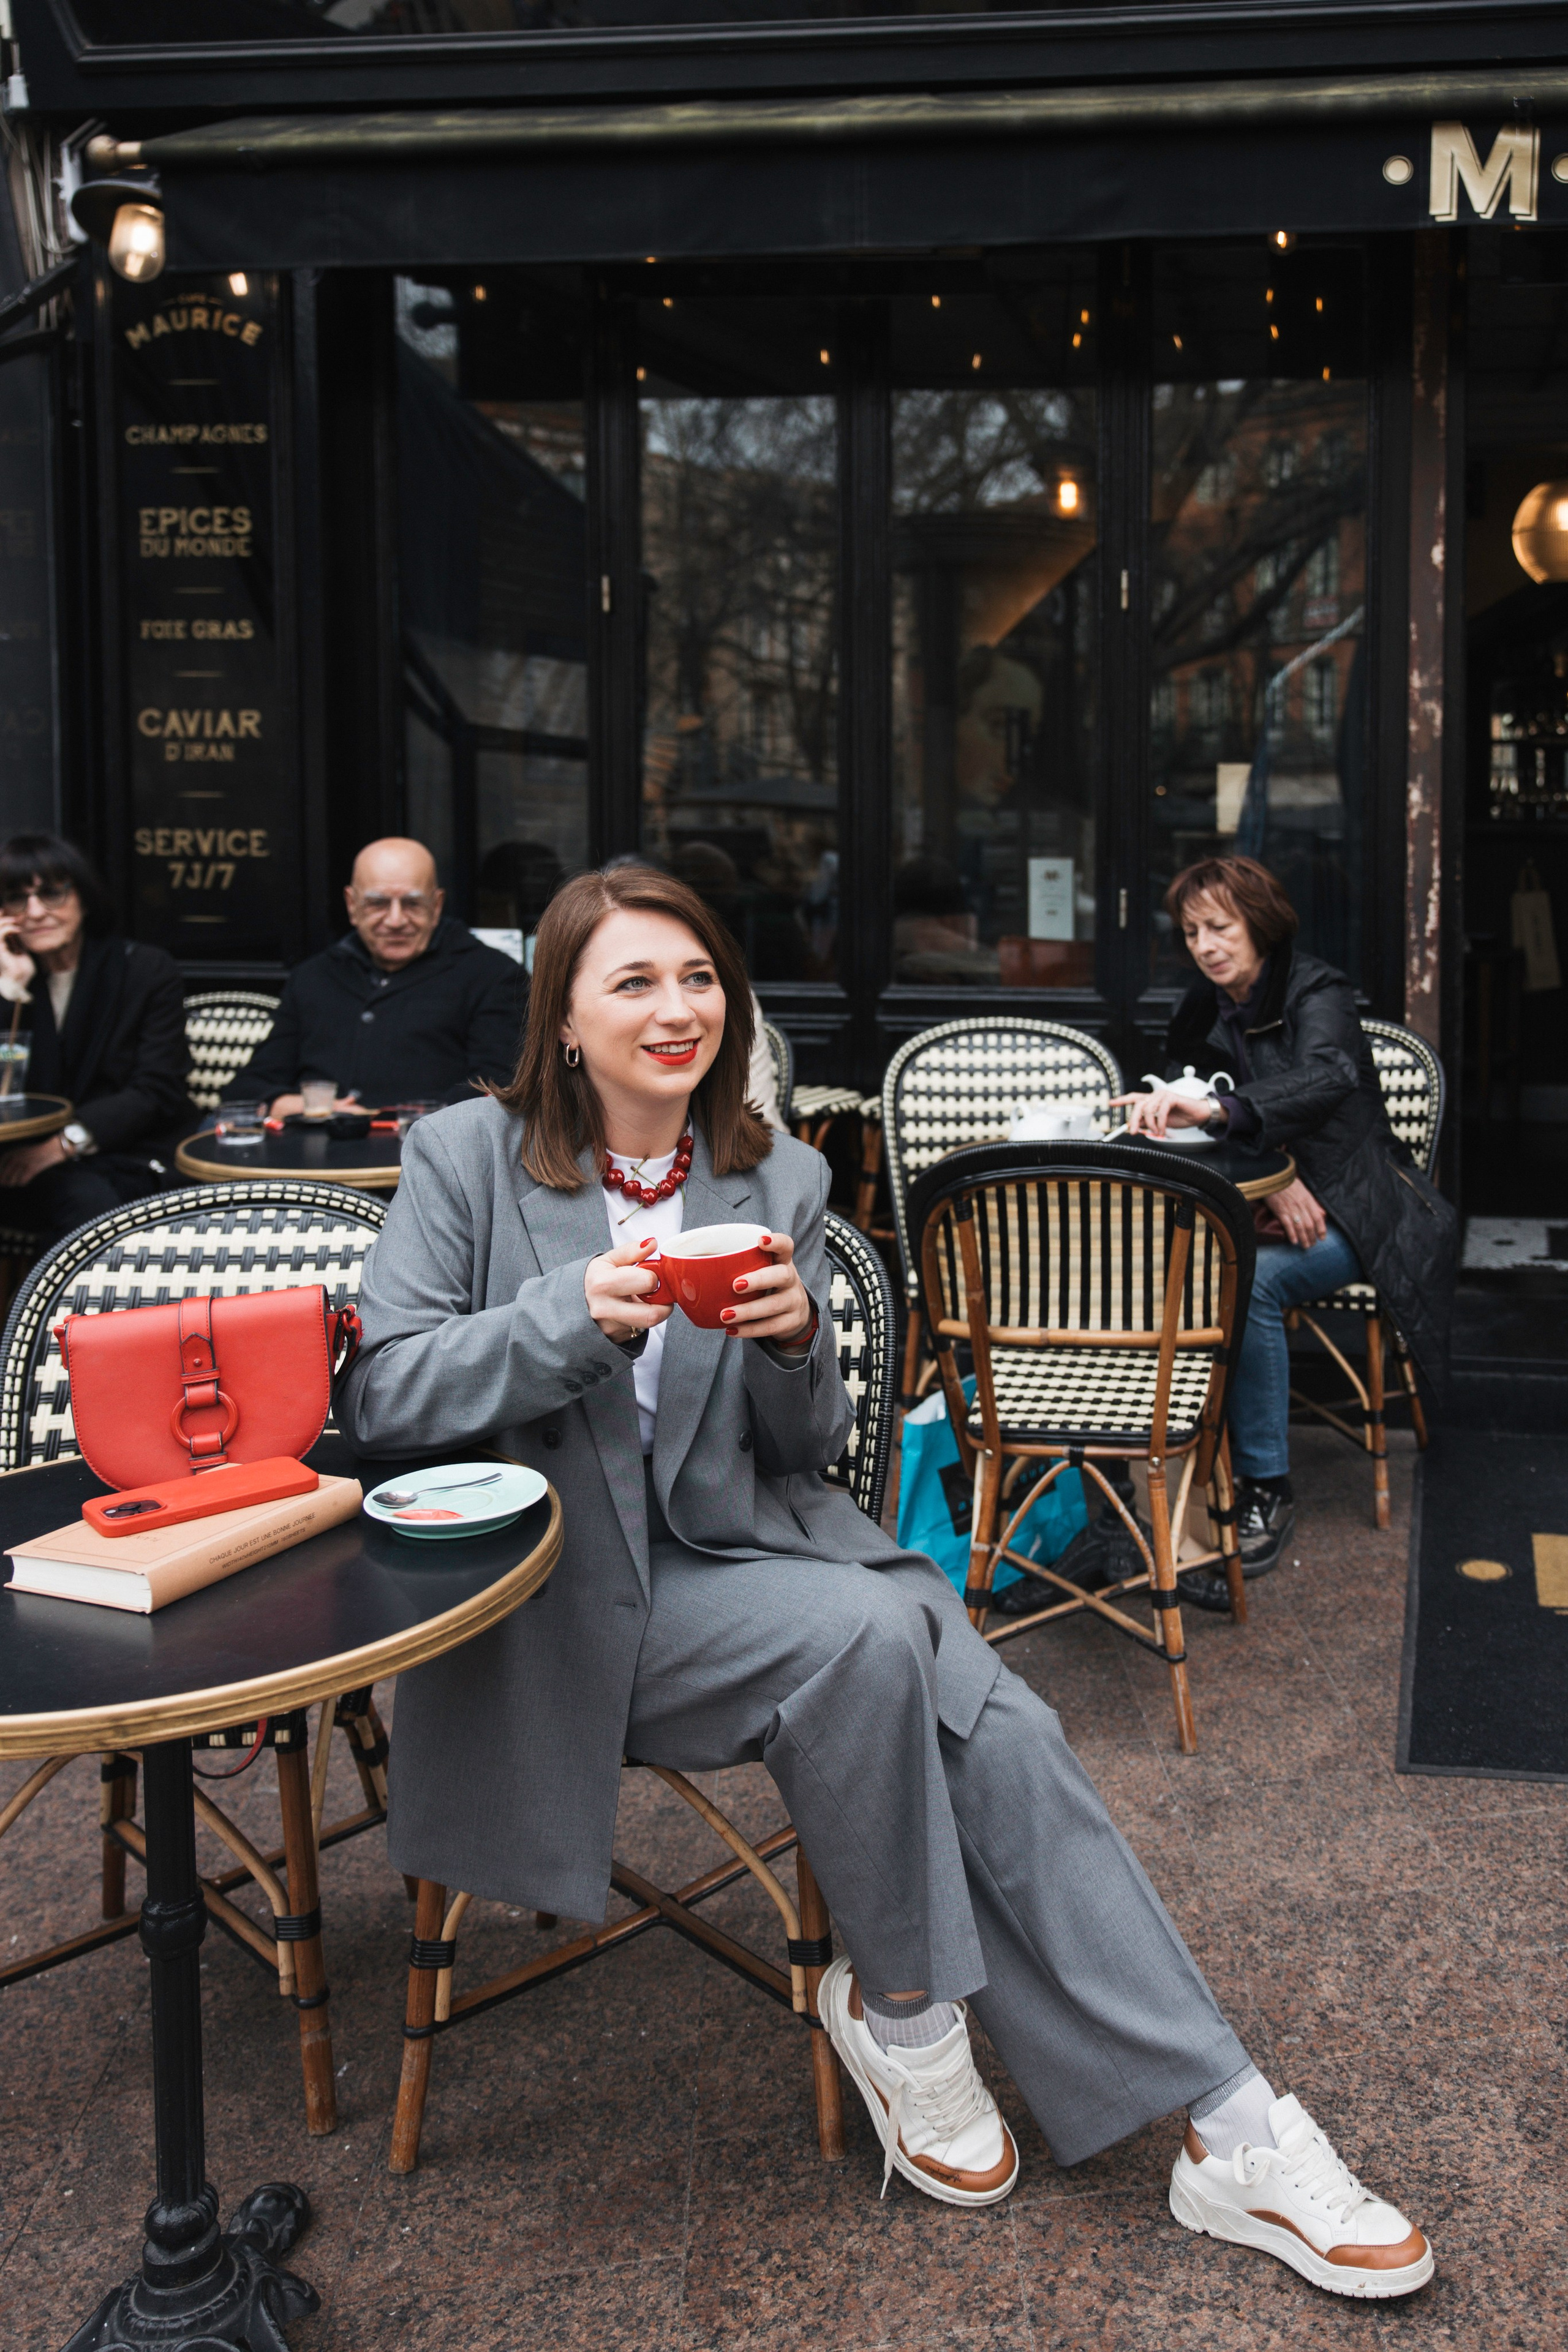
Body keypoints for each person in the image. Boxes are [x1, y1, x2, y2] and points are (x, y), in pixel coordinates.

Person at [338, 861, 1433, 2299]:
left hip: (744, 1561)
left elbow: (800, 1454)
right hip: (546, 1597)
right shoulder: (466, 1161)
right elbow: (391, 1390)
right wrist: (562, 1317)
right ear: (560, 1014)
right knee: (870, 1635)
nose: (678, 1009)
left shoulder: (772, 1173)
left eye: (699, 977)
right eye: (633, 981)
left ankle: (1231, 2120)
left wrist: (800, 1349)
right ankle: (909, 2009)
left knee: (1013, 1728)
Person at [1115, 854, 1457, 1609]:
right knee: (1175, 1265)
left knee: (1254, 1285)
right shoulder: (1208, 1000)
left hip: (1367, 1207)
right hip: (1280, 1197)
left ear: (1258, 925)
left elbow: (1329, 1076)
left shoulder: (1318, 989)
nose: (1205, 946)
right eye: (1193, 931)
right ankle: (1161, 1466)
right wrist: (1269, 1163)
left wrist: (1222, 1118)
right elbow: (1186, 1078)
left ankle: (1266, 1485)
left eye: (1221, 927)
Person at [225, 837, 526, 1114]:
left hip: (422, 1162)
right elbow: (248, 1088)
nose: (395, 920)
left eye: (412, 904)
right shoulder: (313, 977)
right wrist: (304, 1105)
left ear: (436, 906)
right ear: (352, 905)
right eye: (378, 903)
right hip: (307, 1157)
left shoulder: (494, 977)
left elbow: (499, 1093)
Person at [0, 832, 190, 1245]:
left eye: (51, 893)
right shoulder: (8, 982)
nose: (34, 912)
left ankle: (73, 1312)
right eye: (16, 898)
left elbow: (157, 1090)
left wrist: (61, 1145)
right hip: (19, 1161)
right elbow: (12, 1096)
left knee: (84, 1199)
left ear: (82, 899)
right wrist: (12, 993)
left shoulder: (143, 971)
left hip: (122, 1154)